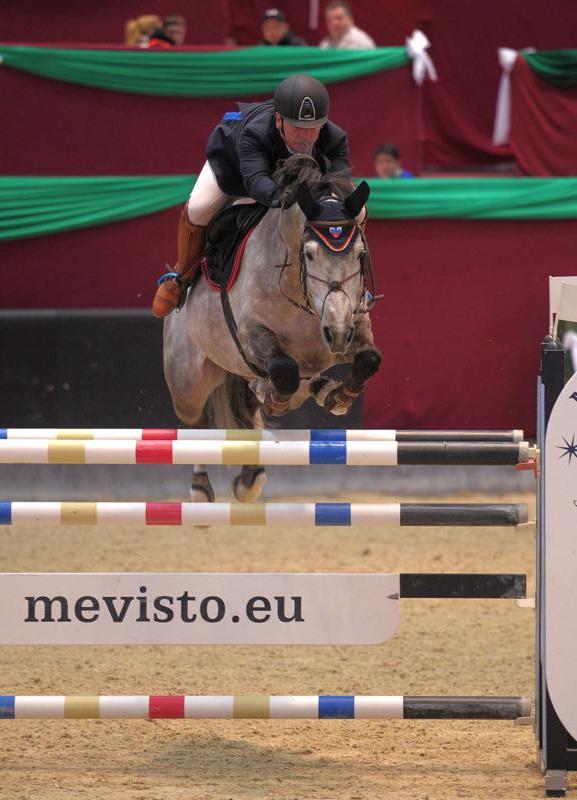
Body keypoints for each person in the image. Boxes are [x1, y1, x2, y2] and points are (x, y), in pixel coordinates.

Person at [152, 74, 350, 317]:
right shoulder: (255, 134)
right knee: (198, 208)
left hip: (282, 180)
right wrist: (280, 198)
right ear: (278, 120)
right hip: (233, 170)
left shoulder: (335, 138)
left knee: (354, 211)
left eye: (313, 128)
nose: (306, 137)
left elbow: (341, 186)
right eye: (298, 128)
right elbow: (255, 181)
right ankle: (182, 276)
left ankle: (352, 282)